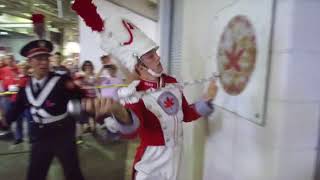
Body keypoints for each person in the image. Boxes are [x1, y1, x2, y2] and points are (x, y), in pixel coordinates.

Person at [81, 16, 218, 180]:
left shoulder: (171, 82)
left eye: (155, 53)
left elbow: (186, 114)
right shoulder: (133, 93)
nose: (158, 58)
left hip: (176, 156)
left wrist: (206, 99)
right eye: (150, 56)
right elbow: (132, 129)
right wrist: (117, 110)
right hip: (151, 160)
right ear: (139, 66)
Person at [0, 40, 85, 180]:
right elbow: (16, 109)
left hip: (62, 134)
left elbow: (80, 97)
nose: (44, 62)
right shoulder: (25, 85)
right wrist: (4, 123)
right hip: (39, 136)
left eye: (46, 58)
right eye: (39, 59)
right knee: (35, 174)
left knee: (73, 173)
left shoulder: (62, 81)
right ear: (30, 62)